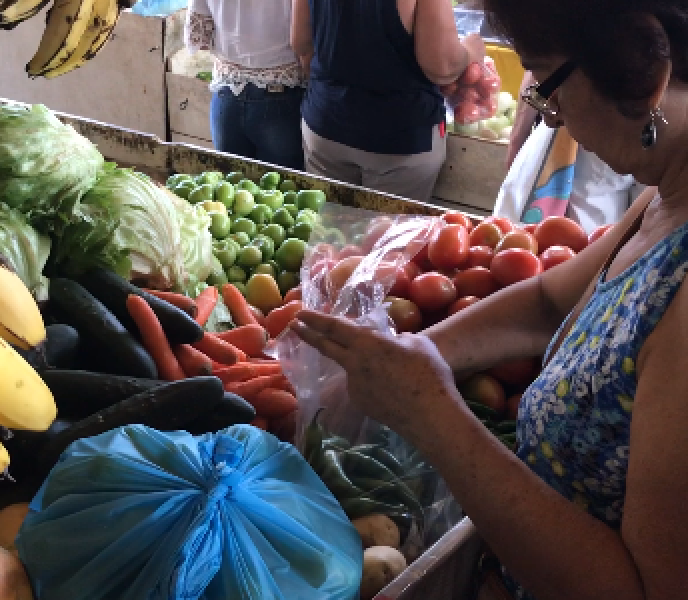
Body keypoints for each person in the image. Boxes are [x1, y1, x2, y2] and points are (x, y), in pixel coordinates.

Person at [290, 1, 688, 598]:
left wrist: (434, 416)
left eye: (549, 90)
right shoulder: (663, 199)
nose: (554, 121)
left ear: (645, 75)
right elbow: (548, 304)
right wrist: (416, 356)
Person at [290, 0, 485, 201]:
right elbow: (442, 67)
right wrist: (470, 51)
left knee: (330, 225)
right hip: (400, 139)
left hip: (326, 123)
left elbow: (301, 44)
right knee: (389, 231)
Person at [495, 70, 646, 234]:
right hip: (551, 149)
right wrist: (518, 139)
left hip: (595, 238)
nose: (550, 120)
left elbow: (644, 223)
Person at [184, 0, 305, 170]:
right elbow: (305, 42)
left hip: (227, 94)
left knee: (232, 190)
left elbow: (201, 37)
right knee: (285, 190)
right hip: (281, 94)